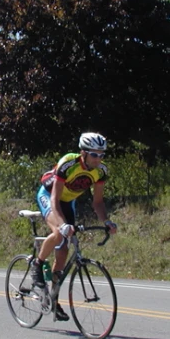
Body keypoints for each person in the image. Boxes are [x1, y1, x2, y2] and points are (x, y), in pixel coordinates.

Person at [32, 132, 118, 321]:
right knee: (58, 232)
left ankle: (52, 299)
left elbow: (98, 202)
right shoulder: (69, 164)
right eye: (94, 154)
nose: (98, 159)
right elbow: (54, 198)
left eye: (102, 155)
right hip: (49, 196)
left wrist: (107, 222)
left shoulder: (100, 171)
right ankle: (37, 265)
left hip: (68, 202)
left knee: (62, 252)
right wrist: (62, 224)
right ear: (83, 153)